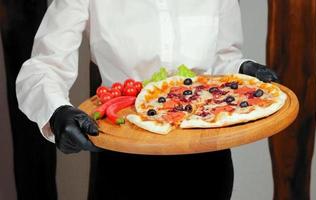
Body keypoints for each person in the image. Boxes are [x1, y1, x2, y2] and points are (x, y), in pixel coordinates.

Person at [16, 0, 277, 200]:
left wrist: (242, 69)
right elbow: (44, 65)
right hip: (125, 158)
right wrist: (56, 110)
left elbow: (223, 60)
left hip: (206, 156)